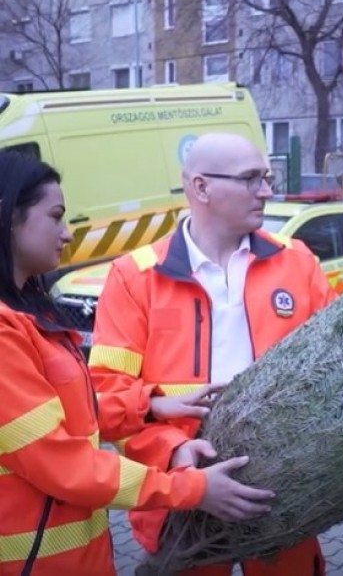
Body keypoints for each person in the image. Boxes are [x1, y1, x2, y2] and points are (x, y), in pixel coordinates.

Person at [0, 150, 273, 576]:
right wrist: (190, 487)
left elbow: (69, 412)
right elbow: (63, 464)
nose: (68, 234)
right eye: (56, 216)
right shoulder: (5, 330)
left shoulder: (26, 313)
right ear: (10, 217)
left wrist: (149, 405)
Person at [89, 133, 335, 576]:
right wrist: (176, 452)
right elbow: (108, 396)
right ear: (201, 187)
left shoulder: (297, 262)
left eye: (267, 177)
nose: (266, 190)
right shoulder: (135, 278)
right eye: (250, 179)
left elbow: (339, 367)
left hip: (284, 488)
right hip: (180, 496)